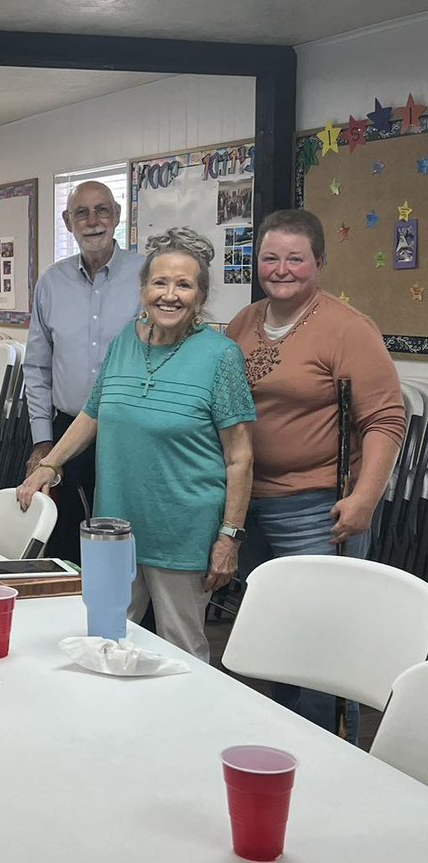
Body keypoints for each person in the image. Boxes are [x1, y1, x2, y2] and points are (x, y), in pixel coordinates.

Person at [17, 228, 255, 662]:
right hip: (115, 528)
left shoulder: (221, 357)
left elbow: (239, 457)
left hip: (182, 531)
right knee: (106, 641)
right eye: (160, 282)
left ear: (200, 296)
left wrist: (229, 537)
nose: (170, 295)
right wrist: (48, 465)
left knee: (179, 649)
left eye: (184, 285)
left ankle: (186, 731)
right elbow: (92, 413)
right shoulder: (126, 340)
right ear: (143, 288)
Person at [227, 209, 405, 742]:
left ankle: (328, 751)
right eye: (270, 257)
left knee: (321, 643)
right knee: (275, 638)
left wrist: (365, 500)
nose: (282, 269)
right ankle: (285, 743)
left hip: (316, 507)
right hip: (249, 504)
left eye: (295, 259)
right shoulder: (245, 321)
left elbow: (385, 420)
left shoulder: (346, 328)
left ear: (319, 264)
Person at [22, 181, 144, 561]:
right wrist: (43, 441)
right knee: (64, 543)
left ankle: (133, 619)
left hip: (131, 433)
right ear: (67, 221)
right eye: (82, 213)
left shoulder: (147, 276)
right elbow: (37, 366)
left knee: (128, 540)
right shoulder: (51, 283)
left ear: (118, 216)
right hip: (67, 430)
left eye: (102, 210)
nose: (93, 222)